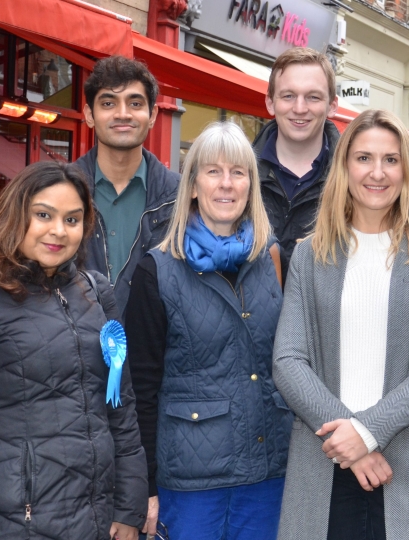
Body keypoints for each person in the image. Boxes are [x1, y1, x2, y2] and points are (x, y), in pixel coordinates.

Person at [0, 161, 148, 540]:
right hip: (11, 524)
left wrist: (129, 508)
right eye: (43, 215)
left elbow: (120, 405)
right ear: (14, 214)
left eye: (72, 219)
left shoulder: (96, 291)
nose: (58, 231)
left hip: (98, 521)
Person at [273, 109, 409, 540]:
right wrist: (352, 445)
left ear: (407, 171)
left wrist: (367, 431)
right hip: (325, 460)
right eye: (363, 158)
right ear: (344, 167)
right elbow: (288, 361)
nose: (377, 173)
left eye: (391, 160)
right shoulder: (310, 254)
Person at [126, 121, 290, 540]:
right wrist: (143, 487)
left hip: (268, 472)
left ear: (251, 186)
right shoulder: (157, 270)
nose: (226, 184)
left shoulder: (273, 259)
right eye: (213, 172)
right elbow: (140, 386)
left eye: (238, 173)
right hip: (190, 484)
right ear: (193, 184)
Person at [76, 55, 180, 316]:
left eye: (135, 103)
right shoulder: (57, 192)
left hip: (153, 352)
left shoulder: (182, 198)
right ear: (90, 114)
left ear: (152, 114)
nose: (123, 114)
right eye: (108, 103)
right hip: (71, 350)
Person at [253, 47, 340, 279]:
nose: (300, 108)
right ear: (270, 103)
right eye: (288, 96)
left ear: (332, 105)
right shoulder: (240, 175)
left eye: (313, 97)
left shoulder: (352, 182)